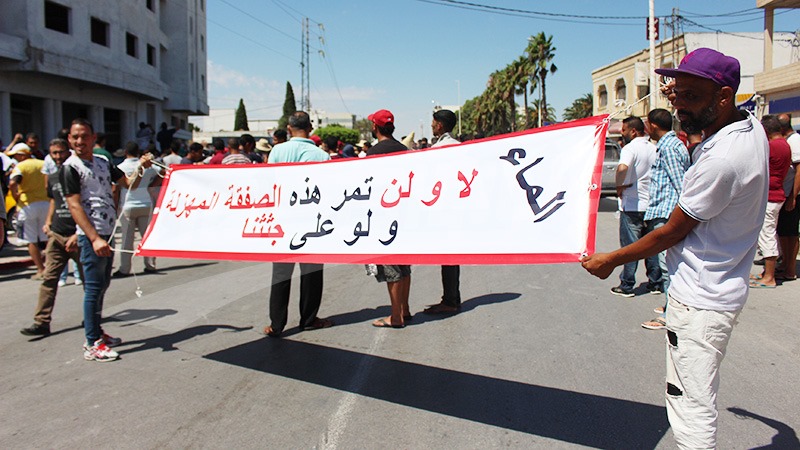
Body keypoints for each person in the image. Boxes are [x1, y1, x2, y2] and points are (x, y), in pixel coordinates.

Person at [582, 48, 768, 449]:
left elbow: (671, 233)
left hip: (701, 300)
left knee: (691, 409)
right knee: (695, 397)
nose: (679, 104)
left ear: (722, 96)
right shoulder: (748, 126)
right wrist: (682, 88)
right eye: (675, 94)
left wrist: (611, 259)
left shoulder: (722, 158)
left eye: (690, 96)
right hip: (720, 288)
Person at [62, 118, 153, 362]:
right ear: (70, 139)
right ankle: (91, 342)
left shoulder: (103, 162)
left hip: (108, 233)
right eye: (75, 137)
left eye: (84, 136)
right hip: (94, 237)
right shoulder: (70, 167)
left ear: (93, 138)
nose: (79, 141)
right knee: (92, 288)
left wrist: (142, 166)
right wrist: (93, 238)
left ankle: (97, 332)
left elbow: (129, 183)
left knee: (102, 285)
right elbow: (74, 205)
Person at [263, 111, 333, 337]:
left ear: (289, 128)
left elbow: (270, 184)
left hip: (284, 221)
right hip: (313, 221)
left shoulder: (277, 150)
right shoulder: (321, 155)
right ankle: (309, 319)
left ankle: (277, 324)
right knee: (311, 274)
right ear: (310, 128)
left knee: (280, 274)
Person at [20, 139, 84, 337]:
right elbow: (53, 200)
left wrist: (79, 233)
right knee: (49, 279)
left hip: (79, 236)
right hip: (57, 235)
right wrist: (48, 221)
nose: (57, 157)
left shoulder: (79, 173)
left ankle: (92, 317)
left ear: (69, 151)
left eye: (61, 152)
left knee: (91, 283)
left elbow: (89, 205)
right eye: (53, 153)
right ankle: (41, 322)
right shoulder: (54, 176)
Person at [640, 108, 690, 330]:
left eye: (647, 124)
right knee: (669, 264)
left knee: (667, 265)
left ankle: (671, 315)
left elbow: (680, 184)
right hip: (665, 211)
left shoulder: (669, 148)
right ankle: (671, 306)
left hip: (667, 212)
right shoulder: (672, 144)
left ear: (653, 125)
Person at [365, 109, 412, 328]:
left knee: (392, 267)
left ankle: (395, 317)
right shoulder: (404, 149)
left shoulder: (373, 153)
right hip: (402, 212)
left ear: (375, 127)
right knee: (404, 265)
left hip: (384, 215)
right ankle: (405, 308)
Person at [610, 116, 660, 297]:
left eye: (623, 130)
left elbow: (623, 167)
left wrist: (619, 186)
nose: (621, 134)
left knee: (630, 247)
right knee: (651, 246)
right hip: (651, 204)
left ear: (633, 131)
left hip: (632, 204)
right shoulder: (654, 148)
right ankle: (655, 282)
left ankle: (627, 285)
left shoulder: (630, 148)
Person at [423, 109, 463, 315]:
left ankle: (450, 300)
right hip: (453, 205)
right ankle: (452, 297)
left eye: (433, 122)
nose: (431, 125)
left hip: (444, 207)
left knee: (447, 256)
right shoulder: (458, 147)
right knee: (450, 256)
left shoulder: (440, 148)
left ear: (439, 125)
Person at [749, 115, 791, 288]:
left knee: (767, 234)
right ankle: (767, 273)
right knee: (769, 233)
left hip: (770, 195)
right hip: (777, 192)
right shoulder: (785, 144)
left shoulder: (772, 146)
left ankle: (769, 277)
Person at [112, 141, 160, 278]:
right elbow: (161, 171)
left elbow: (115, 189)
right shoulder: (146, 166)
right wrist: (151, 187)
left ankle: (125, 268)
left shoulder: (120, 167)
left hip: (127, 205)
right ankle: (150, 265)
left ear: (125, 152)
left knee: (127, 239)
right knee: (146, 237)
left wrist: (115, 208)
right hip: (145, 203)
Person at [7, 143, 49, 278]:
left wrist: (15, 196)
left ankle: (40, 269)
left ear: (23, 155)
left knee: (31, 240)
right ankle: (51, 268)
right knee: (47, 239)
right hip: (46, 204)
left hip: (28, 205)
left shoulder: (21, 166)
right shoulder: (43, 163)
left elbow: (13, 183)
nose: (15, 158)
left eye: (16, 155)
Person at [776, 113, 800, 280]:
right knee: (783, 232)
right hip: (785, 194)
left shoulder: (795, 141)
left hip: (792, 195)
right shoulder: (788, 141)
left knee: (791, 233)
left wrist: (793, 195)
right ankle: (785, 263)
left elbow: (799, 170)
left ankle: (790, 269)